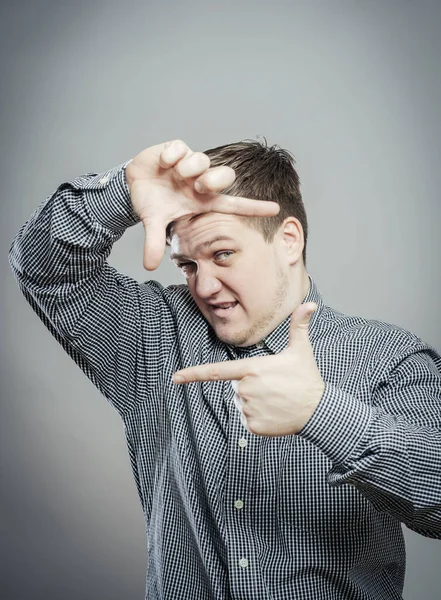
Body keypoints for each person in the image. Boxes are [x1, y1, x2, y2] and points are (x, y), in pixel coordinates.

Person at [9, 138, 441, 600]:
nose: (206, 285)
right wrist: (122, 193)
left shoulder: (388, 357)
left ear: (288, 240)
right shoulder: (151, 334)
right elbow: (42, 268)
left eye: (222, 255)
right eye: (187, 265)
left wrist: (323, 415)